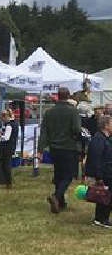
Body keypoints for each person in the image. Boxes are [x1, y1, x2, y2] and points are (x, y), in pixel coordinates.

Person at [38, 87, 82, 215]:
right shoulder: (73, 111)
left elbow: (44, 132)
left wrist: (40, 150)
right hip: (69, 147)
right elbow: (76, 129)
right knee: (68, 175)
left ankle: (61, 203)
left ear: (57, 96)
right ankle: (57, 196)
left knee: (59, 175)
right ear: (68, 96)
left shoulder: (49, 112)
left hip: (54, 148)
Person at [85, 115, 112, 229]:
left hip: (107, 171)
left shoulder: (105, 138)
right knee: (104, 196)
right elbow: (96, 158)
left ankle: (101, 218)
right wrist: (99, 176)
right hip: (104, 173)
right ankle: (101, 218)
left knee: (105, 195)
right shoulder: (98, 139)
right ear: (106, 126)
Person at [0, 109, 19, 190]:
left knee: (5, 165)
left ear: (7, 116)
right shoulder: (15, 123)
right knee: (6, 164)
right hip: (11, 146)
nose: (2, 117)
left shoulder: (9, 125)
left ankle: (8, 182)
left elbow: (6, 138)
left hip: (7, 147)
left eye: (3, 115)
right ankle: (8, 181)